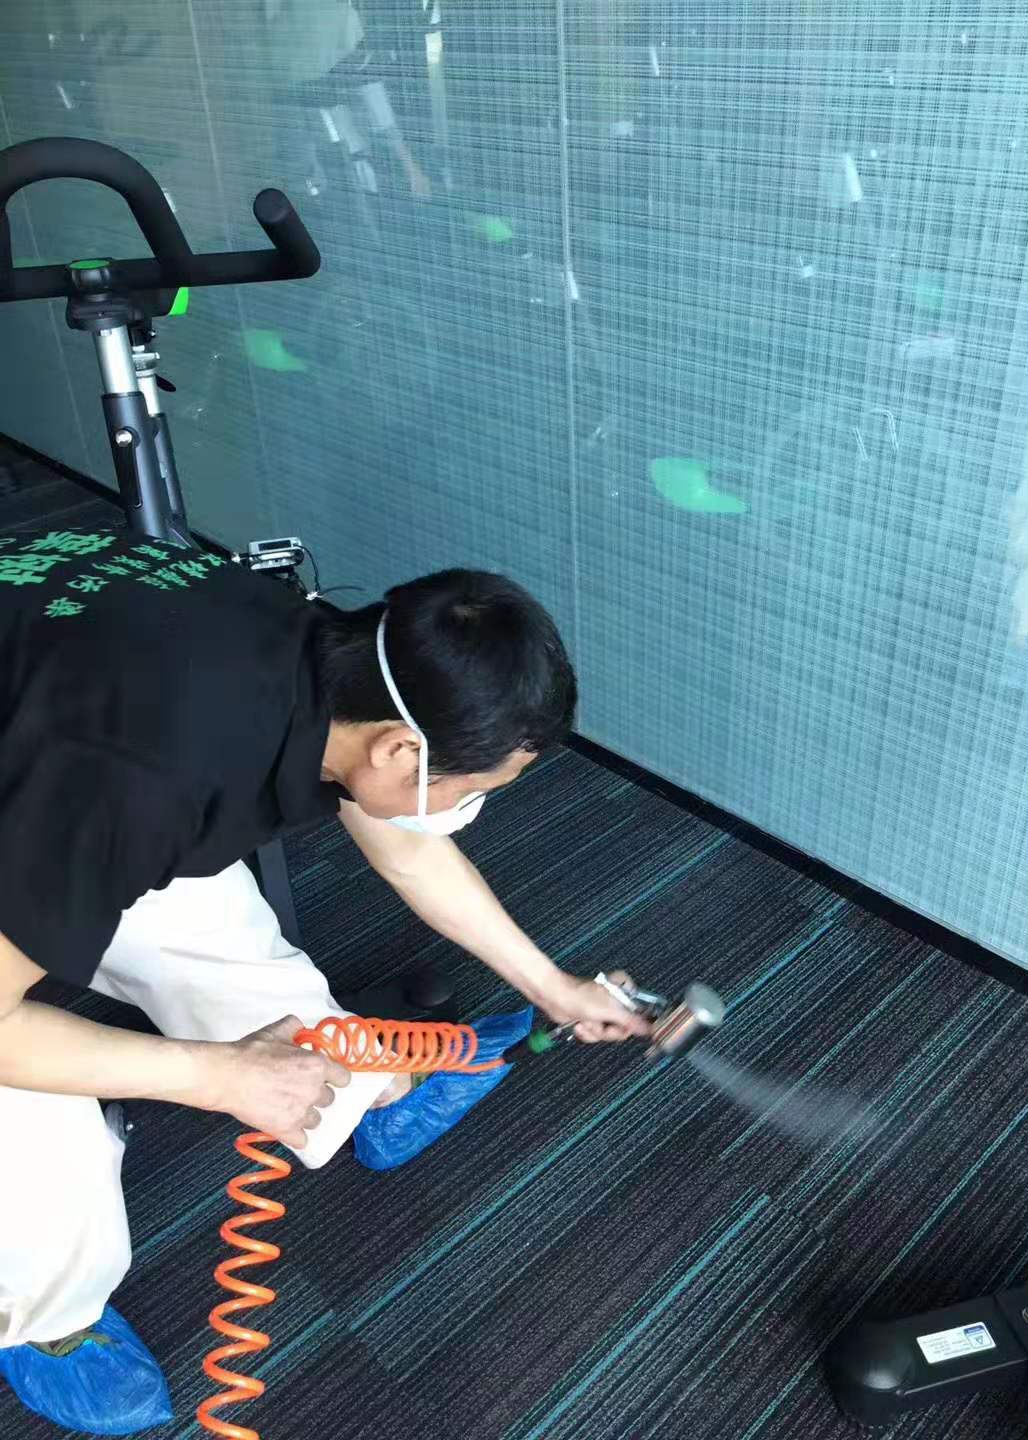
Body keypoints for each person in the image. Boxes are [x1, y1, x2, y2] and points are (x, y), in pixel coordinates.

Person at [0, 525, 649, 1435]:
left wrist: (552, 985)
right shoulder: (145, 775)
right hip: (79, 765)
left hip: (62, 737)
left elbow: (406, 847)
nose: (469, 808)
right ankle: (46, 1315)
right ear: (400, 750)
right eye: (472, 789)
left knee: (206, 921)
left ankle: (367, 1090)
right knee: (33, 1129)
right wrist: (215, 1075)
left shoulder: (329, 658)